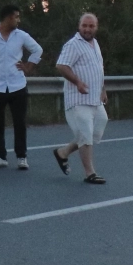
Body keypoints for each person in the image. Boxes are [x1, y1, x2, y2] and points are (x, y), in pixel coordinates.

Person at [0, 4, 43, 170]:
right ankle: (0, 156)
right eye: (16, 17)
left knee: (19, 123)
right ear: (8, 18)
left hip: (17, 85)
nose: (18, 20)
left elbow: (37, 50)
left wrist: (29, 66)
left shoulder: (21, 36)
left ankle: (21, 157)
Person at [52, 13, 108, 184]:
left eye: (91, 26)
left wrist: (103, 89)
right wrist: (77, 82)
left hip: (94, 98)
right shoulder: (73, 45)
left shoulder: (95, 44)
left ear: (96, 28)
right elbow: (61, 65)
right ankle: (90, 173)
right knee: (85, 134)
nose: (87, 29)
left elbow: (99, 68)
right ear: (79, 26)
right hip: (78, 99)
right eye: (84, 25)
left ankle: (63, 153)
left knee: (96, 131)